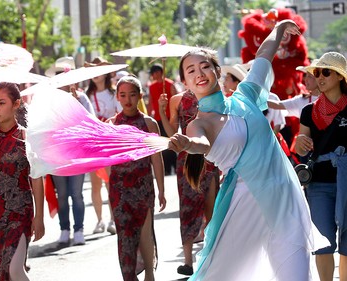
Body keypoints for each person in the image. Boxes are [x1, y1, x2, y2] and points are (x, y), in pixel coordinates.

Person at [168, 20, 328, 281]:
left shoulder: (245, 97)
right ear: (185, 82)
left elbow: (263, 55)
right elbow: (202, 145)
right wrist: (187, 144)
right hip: (244, 206)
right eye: (191, 70)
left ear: (217, 71)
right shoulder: (198, 124)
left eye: (205, 66)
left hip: (285, 198)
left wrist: (277, 30)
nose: (199, 73)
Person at [0, 82, 45, 281]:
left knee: (14, 269)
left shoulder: (27, 137)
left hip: (20, 213)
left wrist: (39, 217)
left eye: (1, 103)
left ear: (16, 104)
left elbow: (37, 179)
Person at [108, 75, 166, 281]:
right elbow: (106, 158)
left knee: (144, 233)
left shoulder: (149, 123)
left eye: (132, 95)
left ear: (140, 96)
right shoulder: (112, 124)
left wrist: (161, 189)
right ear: (117, 97)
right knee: (124, 236)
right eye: (122, 95)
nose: (127, 100)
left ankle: (150, 274)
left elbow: (156, 158)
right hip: (119, 188)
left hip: (143, 186)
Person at [295, 51, 347, 281]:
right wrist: (299, 143)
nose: (320, 77)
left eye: (326, 72)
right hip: (319, 185)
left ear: (339, 77)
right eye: (317, 73)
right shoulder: (308, 111)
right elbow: (301, 149)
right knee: (323, 242)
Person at [158, 89, 219, 276]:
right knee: (187, 208)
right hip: (186, 159)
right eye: (190, 70)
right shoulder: (177, 100)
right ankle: (187, 261)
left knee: (212, 209)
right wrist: (162, 111)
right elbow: (171, 135)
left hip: (210, 157)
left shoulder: (215, 96)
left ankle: (212, 257)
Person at [45, 57, 95, 245]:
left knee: (76, 193)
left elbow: (91, 122)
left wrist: (77, 107)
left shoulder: (81, 98)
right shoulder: (49, 100)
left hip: (77, 154)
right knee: (63, 195)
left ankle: (79, 229)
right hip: (57, 154)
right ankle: (64, 228)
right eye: (59, 76)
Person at [85, 57, 120, 235]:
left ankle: (114, 219)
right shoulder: (86, 95)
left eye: (98, 70)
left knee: (110, 182)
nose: (95, 74)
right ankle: (99, 220)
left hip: (108, 142)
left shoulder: (114, 94)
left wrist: (108, 123)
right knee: (95, 183)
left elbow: (120, 115)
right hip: (92, 143)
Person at [147, 63, 178, 175]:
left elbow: (175, 99)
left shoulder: (170, 84)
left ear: (159, 72)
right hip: (158, 118)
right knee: (162, 143)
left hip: (170, 118)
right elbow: (150, 102)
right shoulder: (151, 86)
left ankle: (175, 165)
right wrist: (148, 115)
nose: (153, 75)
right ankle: (167, 168)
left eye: (154, 73)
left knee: (171, 141)